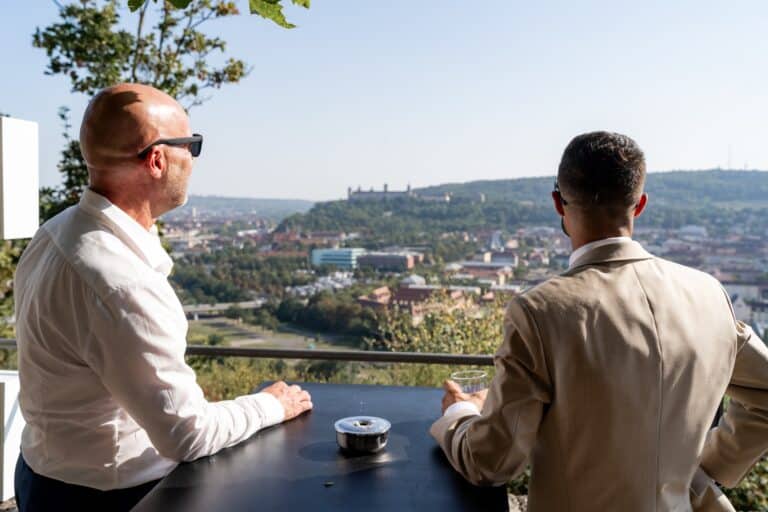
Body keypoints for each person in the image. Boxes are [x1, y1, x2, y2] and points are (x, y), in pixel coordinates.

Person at [13, 83, 313, 511]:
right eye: (190, 145)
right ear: (157, 159)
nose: (193, 159)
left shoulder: (55, 233)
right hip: (109, 495)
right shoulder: (121, 282)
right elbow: (187, 435)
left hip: (43, 474)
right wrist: (271, 404)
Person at [431, 131, 768, 511]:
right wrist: (699, 470)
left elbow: (491, 462)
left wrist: (460, 413)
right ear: (640, 204)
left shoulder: (539, 311)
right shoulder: (709, 295)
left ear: (557, 203)